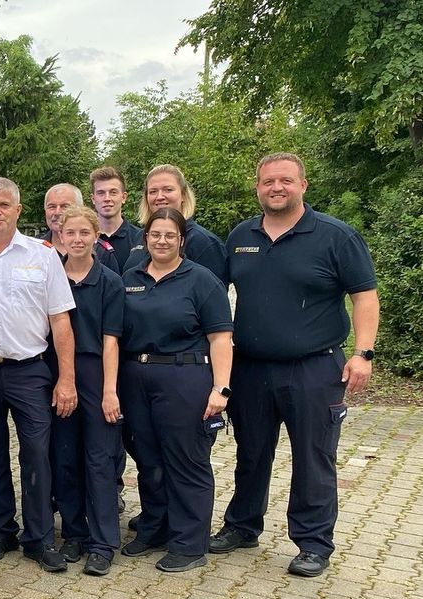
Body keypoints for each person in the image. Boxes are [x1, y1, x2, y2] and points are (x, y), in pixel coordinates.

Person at [210, 153, 379, 577]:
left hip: (314, 368)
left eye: (285, 180)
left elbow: (365, 296)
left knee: (313, 457)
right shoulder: (240, 236)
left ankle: (313, 543)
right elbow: (212, 294)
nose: (276, 188)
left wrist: (363, 353)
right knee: (251, 453)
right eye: (268, 181)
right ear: (258, 187)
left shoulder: (335, 236)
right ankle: (242, 526)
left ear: (303, 185)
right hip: (250, 368)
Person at [0, 177, 77, 572]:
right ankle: (0, 530)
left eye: (4, 205)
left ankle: (40, 537)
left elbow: (60, 320)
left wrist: (66, 379)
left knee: (36, 453)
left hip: (29, 370)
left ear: (18, 210)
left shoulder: (42, 256)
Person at [118, 208, 233, 573]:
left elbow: (220, 338)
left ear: (181, 239)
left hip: (185, 378)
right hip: (137, 376)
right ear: (145, 238)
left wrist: (221, 389)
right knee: (148, 459)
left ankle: (188, 542)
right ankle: (155, 527)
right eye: (155, 235)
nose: (162, 241)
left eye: (170, 235)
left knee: (186, 461)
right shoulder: (130, 277)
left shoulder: (200, 279)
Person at [47, 206, 125, 575]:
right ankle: (74, 533)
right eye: (70, 233)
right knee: (64, 456)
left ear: (96, 236)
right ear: (60, 236)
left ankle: (104, 542)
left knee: (99, 459)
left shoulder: (110, 281)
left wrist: (110, 391)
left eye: (84, 233)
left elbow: (111, 342)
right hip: (56, 373)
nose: (76, 240)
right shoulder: (51, 276)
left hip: (95, 372)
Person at [133, 165, 228, 283]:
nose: (159, 197)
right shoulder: (139, 237)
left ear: (183, 194)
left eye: (168, 190)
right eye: (153, 191)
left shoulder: (204, 242)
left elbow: (213, 295)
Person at [41, 184, 119, 274]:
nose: (57, 212)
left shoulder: (102, 253)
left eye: (65, 206)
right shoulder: (35, 249)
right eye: (52, 207)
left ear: (80, 209)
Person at [90, 166, 143, 273]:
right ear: (93, 199)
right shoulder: (84, 239)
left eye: (113, 192)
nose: (107, 198)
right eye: (101, 193)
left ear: (124, 197)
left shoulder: (140, 239)